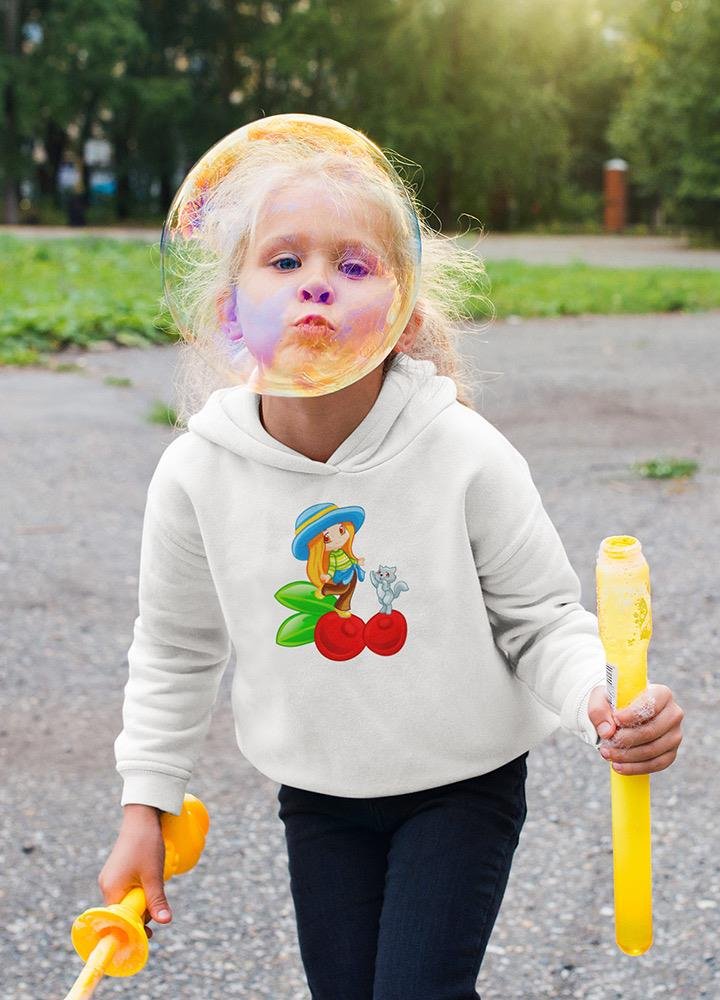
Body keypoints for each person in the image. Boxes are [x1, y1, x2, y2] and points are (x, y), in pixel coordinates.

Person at [98, 117, 684, 999]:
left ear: (402, 310)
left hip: (461, 786)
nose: (317, 288)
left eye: (354, 265)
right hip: (319, 798)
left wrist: (599, 698)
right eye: (285, 261)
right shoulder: (196, 473)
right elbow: (176, 650)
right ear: (231, 305)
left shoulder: (464, 453)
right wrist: (145, 804)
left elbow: (540, 620)